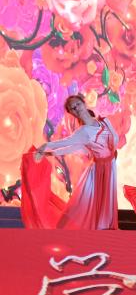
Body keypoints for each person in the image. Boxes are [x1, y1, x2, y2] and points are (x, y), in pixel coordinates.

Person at [21, 94, 119, 230]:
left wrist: (111, 154)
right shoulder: (83, 131)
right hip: (97, 171)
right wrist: (46, 147)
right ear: (72, 113)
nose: (76, 108)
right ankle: (66, 231)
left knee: (106, 202)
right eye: (73, 108)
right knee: (83, 204)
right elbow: (68, 144)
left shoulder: (104, 121)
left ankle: (103, 232)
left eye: (77, 104)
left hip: (109, 167)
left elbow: (115, 139)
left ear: (84, 103)